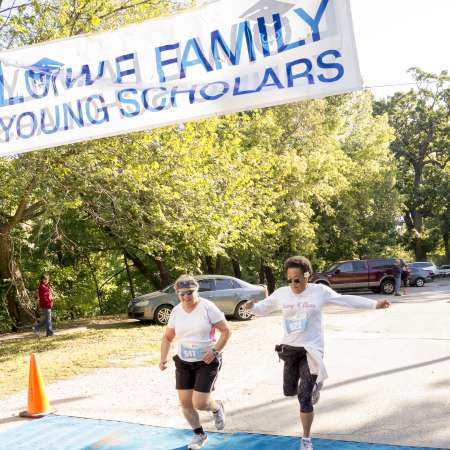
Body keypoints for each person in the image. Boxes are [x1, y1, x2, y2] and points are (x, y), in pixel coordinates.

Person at [244, 256, 390, 450]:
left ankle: (306, 439)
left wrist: (373, 304)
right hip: (289, 349)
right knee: (289, 390)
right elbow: (263, 308)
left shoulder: (319, 291)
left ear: (307, 276)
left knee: (303, 396)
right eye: (289, 280)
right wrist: (251, 307)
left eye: (297, 279)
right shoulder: (282, 294)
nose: (293, 284)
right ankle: (316, 383)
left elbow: (344, 300)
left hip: (311, 349)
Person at [159, 275, 231, 450]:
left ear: (196, 290)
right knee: (185, 404)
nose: (185, 297)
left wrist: (215, 351)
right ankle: (199, 434)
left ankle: (216, 407)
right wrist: (163, 359)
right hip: (184, 362)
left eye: (189, 293)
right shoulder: (176, 311)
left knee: (199, 403)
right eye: (181, 293)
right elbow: (168, 337)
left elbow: (226, 330)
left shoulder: (207, 307)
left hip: (206, 361)